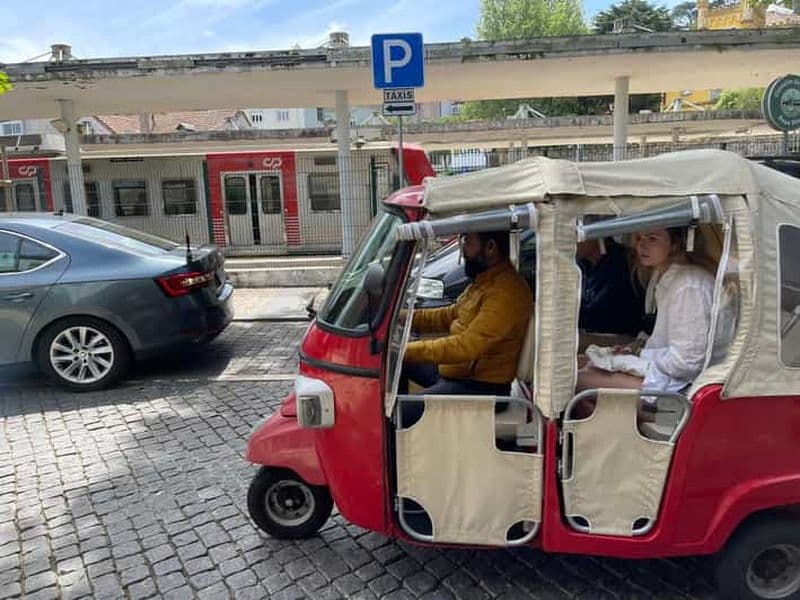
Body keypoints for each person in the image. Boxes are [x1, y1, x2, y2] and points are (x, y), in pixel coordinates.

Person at [575, 227, 715, 399]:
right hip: (666, 374)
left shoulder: (689, 286)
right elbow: (659, 340)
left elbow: (686, 363)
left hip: (682, 387)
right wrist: (633, 350)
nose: (641, 246)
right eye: (639, 238)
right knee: (577, 365)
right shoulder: (662, 276)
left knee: (576, 379)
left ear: (677, 243)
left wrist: (637, 357)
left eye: (652, 239)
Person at [401, 230, 534, 399]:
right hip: (459, 373)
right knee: (397, 363)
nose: (463, 250)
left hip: (482, 388)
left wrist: (404, 350)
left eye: (468, 242)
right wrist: (401, 317)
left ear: (490, 247)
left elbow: (466, 346)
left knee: (401, 411)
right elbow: (449, 314)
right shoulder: (484, 281)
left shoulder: (507, 293)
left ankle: (394, 425)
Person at [578, 236, 645, 337]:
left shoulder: (623, 261)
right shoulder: (580, 265)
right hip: (591, 336)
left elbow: (607, 312)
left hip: (620, 338)